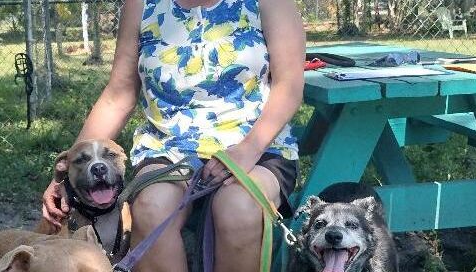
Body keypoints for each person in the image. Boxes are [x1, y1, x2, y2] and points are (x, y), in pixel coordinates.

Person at [41, 0, 305, 271]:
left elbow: (290, 85)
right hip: (168, 148)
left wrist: (248, 149)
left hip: (257, 145)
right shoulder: (141, 5)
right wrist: (66, 176)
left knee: (238, 208)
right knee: (151, 207)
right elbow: (118, 95)